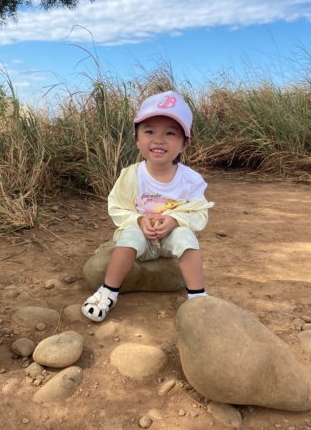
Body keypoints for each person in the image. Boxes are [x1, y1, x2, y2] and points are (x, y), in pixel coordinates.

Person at [81, 90, 214, 322]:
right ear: (137, 139)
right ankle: (109, 291)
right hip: (141, 238)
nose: (159, 139)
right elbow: (117, 206)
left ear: (185, 143)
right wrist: (139, 221)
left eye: (170, 133)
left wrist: (175, 221)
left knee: (187, 238)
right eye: (149, 131)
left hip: (170, 239)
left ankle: (198, 297)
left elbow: (199, 211)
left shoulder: (190, 179)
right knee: (129, 237)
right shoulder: (131, 175)